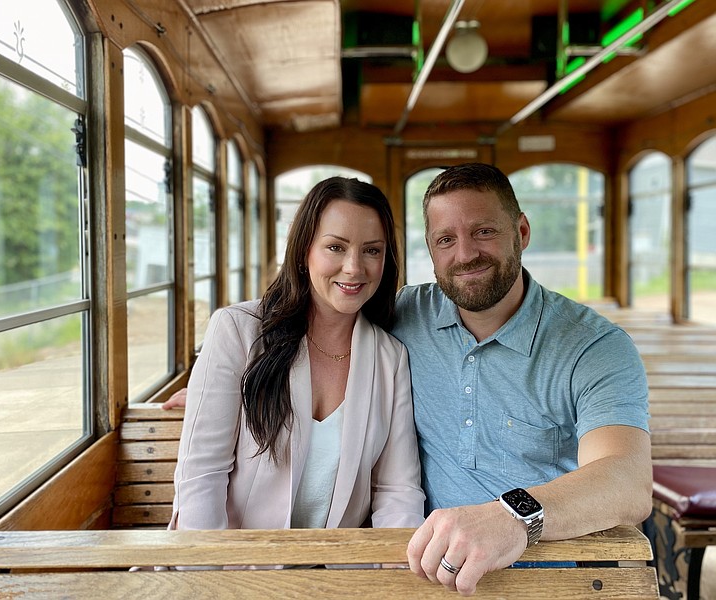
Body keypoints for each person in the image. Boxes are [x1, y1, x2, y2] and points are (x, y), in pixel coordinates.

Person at [396, 163, 652, 595]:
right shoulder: (404, 315)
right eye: (446, 240)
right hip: (431, 576)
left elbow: (628, 480)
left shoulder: (594, 346)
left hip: (555, 578)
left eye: (484, 232)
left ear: (523, 232)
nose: (465, 254)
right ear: (431, 249)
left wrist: (514, 515)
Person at [168, 176, 424, 532]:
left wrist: (390, 575)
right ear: (304, 251)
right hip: (238, 568)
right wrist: (214, 577)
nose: (354, 267)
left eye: (372, 250)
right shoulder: (237, 330)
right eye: (335, 247)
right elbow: (201, 477)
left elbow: (397, 490)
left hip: (335, 573)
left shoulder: (390, 357)